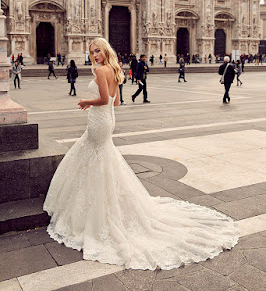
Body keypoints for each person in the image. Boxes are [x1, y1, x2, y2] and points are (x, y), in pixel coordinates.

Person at [43, 37, 238, 271]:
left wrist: (87, 101)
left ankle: (95, 210)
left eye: (98, 51)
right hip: (106, 120)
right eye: (92, 51)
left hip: (98, 122)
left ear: (105, 51)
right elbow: (114, 104)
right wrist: (99, 108)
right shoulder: (114, 70)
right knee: (102, 161)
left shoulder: (103, 70)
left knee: (94, 160)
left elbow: (105, 100)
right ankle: (102, 203)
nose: (94, 55)